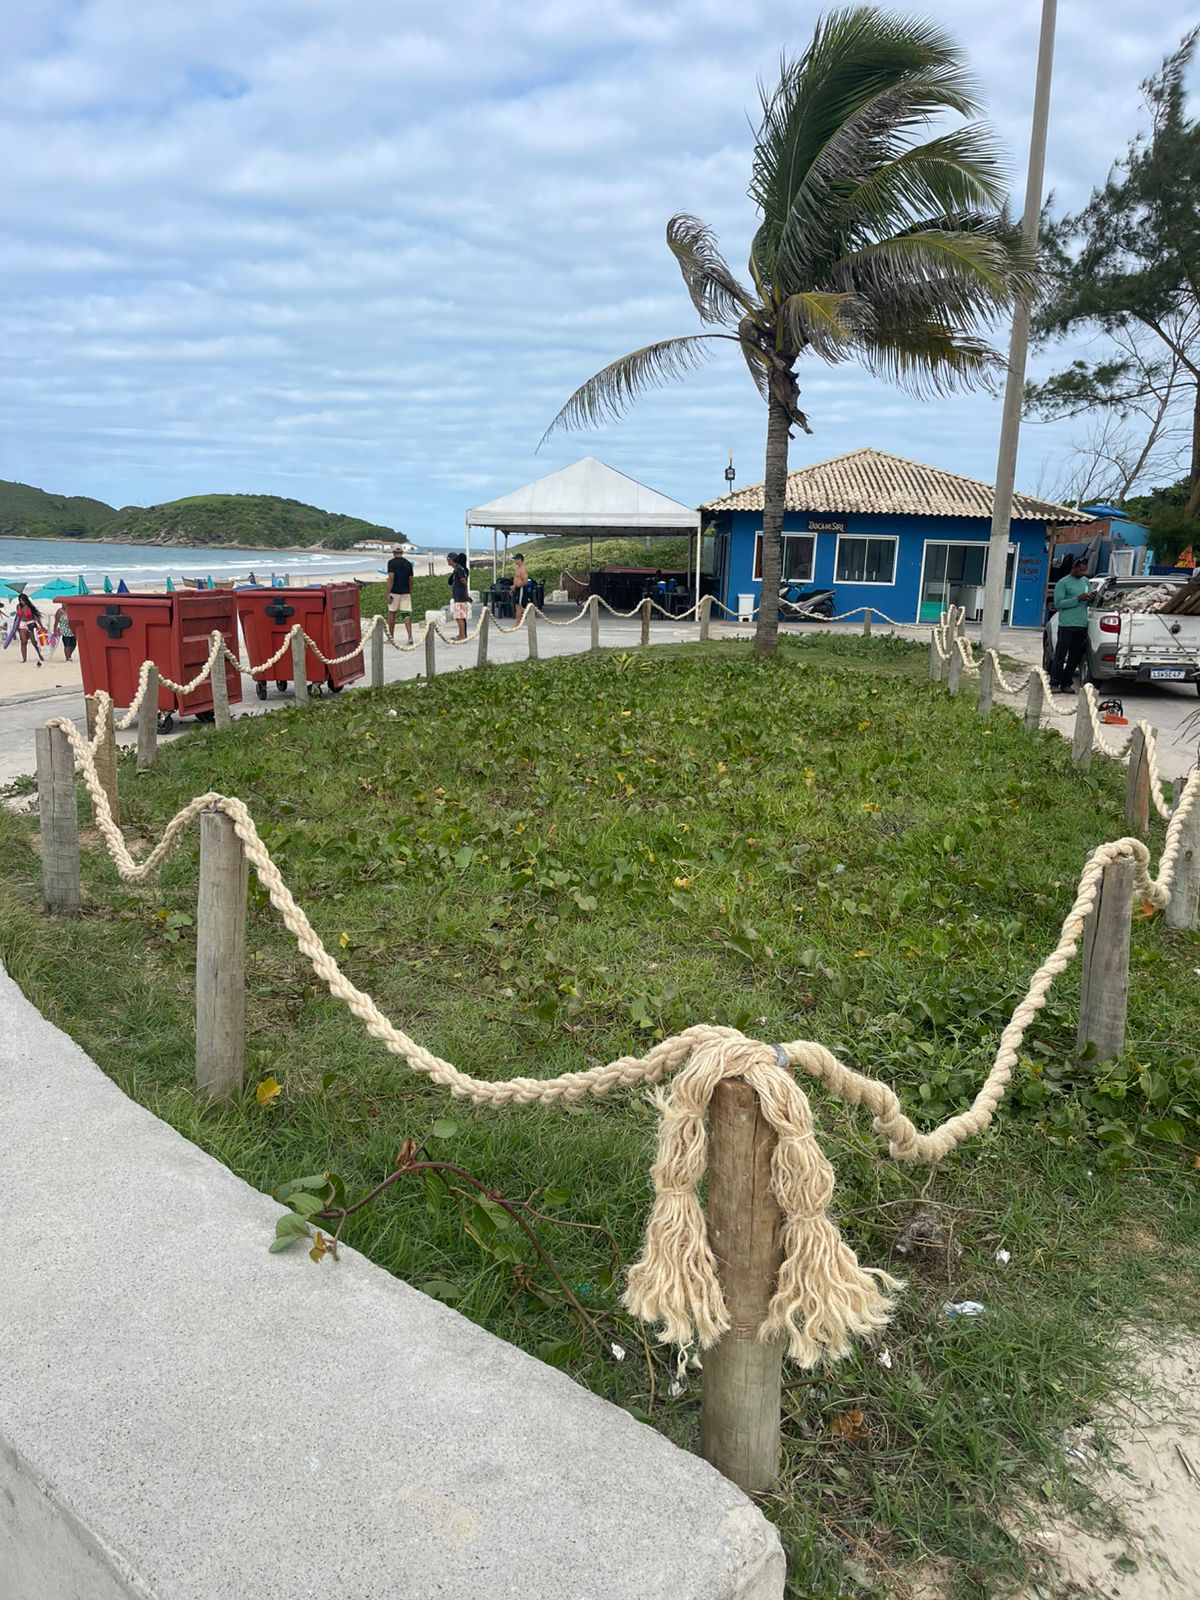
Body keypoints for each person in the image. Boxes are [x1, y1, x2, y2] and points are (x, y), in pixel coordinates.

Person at [1049, 556, 1098, 692]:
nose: (1083, 573)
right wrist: (1076, 599)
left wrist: (1090, 599)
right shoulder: (1063, 583)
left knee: (1074, 657)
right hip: (1067, 624)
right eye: (1081, 570)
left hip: (1081, 625)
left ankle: (1066, 683)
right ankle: (1054, 682)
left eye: (1085, 570)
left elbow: (1087, 602)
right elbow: (1058, 603)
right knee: (1060, 655)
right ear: (1074, 567)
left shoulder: (1086, 582)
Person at [386, 544, 415, 644]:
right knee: (406, 614)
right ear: (402, 552)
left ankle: (391, 637)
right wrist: (410, 591)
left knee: (392, 613)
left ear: (393, 553)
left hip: (394, 592)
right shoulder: (408, 564)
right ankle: (410, 637)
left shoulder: (391, 563)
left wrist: (387, 593)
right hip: (405, 591)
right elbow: (411, 580)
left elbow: (391, 578)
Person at [13, 591, 44, 665]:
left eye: (22, 600)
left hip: (30, 623)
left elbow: (36, 617)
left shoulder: (30, 606)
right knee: (23, 641)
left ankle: (39, 654)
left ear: (26, 600)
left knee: (34, 642)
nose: (21, 602)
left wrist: (41, 626)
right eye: (20, 600)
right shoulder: (18, 606)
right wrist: (14, 627)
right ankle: (24, 659)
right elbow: (17, 617)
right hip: (22, 623)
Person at [447, 552, 470, 642]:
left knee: (459, 617)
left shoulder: (459, 569)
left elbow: (463, 580)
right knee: (460, 617)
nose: (447, 561)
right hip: (459, 595)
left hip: (460, 596)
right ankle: (462, 634)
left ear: (452, 559)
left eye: (448, 560)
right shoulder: (458, 569)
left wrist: (465, 591)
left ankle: (462, 636)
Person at [511, 553, 532, 624]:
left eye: (516, 559)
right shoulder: (517, 568)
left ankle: (518, 622)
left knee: (519, 606)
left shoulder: (523, 569)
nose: (515, 561)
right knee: (517, 605)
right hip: (517, 589)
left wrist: (516, 586)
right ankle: (518, 622)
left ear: (519, 559)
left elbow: (525, 581)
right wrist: (513, 588)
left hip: (521, 589)